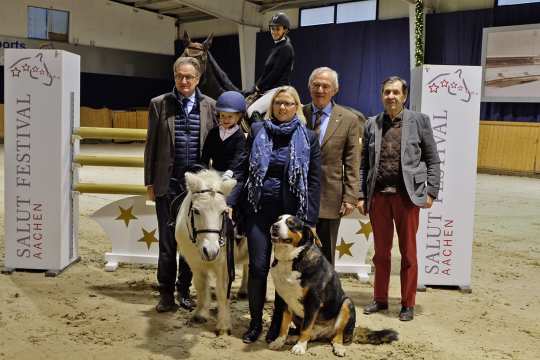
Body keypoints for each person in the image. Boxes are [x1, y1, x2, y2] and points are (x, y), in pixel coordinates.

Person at [227, 86, 321, 343]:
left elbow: (313, 181)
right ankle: (255, 323)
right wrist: (231, 201)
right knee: (258, 268)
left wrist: (309, 219)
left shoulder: (309, 137)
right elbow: (243, 169)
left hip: (289, 218)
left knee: (283, 273)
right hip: (258, 210)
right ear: (272, 106)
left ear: (296, 107)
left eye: (288, 103)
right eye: (278, 103)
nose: (282, 107)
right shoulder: (257, 131)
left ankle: (277, 325)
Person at [358, 76, 441, 321]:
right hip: (379, 198)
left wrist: (431, 191)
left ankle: (408, 303)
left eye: (395, 92)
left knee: (409, 254)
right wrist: (363, 195)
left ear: (404, 96)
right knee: (380, 254)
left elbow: (433, 159)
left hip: (407, 198)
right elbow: (364, 165)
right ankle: (380, 299)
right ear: (382, 95)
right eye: (386, 92)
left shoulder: (419, 121)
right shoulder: (371, 123)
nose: (391, 97)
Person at [144, 56, 217, 313]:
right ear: (174, 77)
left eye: (189, 77)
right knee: (167, 242)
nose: (184, 81)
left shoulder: (211, 106)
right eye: (179, 76)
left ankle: (183, 290)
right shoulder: (159, 104)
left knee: (190, 241)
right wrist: (149, 182)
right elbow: (150, 146)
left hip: (195, 190)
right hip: (168, 184)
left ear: (198, 79)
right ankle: (165, 294)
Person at [302, 67, 362, 266]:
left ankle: (325, 295)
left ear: (335, 90)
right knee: (298, 253)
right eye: (316, 85)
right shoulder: (298, 114)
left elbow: (352, 161)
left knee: (326, 254)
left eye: (325, 86)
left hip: (331, 196)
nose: (320, 90)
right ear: (309, 87)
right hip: (299, 195)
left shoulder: (349, 119)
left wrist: (351, 196)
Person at [243, 12, 295, 117]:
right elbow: (266, 73)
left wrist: (259, 87)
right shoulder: (277, 47)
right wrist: (254, 88)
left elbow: (275, 73)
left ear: (285, 30)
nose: (274, 32)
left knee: (252, 111)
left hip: (278, 89)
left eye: (277, 29)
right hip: (269, 89)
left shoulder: (286, 48)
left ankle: (260, 134)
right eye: (272, 28)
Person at [201, 91, 247, 174]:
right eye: (222, 116)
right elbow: (206, 151)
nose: (225, 119)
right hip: (215, 171)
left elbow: (239, 156)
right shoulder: (213, 132)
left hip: (232, 174)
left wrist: (231, 171)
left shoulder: (239, 136)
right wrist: (204, 166)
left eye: (230, 116)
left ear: (238, 116)